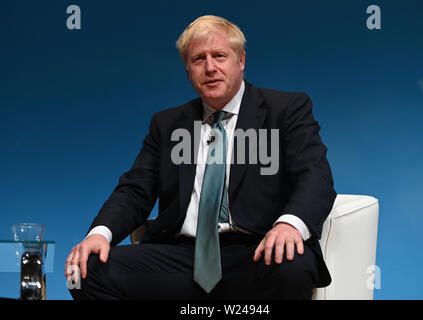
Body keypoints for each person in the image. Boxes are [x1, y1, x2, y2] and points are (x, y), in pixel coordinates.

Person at [65, 15, 336, 300]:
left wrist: (288, 225)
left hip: (257, 253)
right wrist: (99, 234)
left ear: (240, 60)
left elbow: (315, 176)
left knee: (291, 265)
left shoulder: (286, 109)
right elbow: (136, 190)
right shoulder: (168, 124)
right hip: (180, 258)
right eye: (198, 59)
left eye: (219, 56)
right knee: (83, 272)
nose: (210, 68)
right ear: (188, 70)